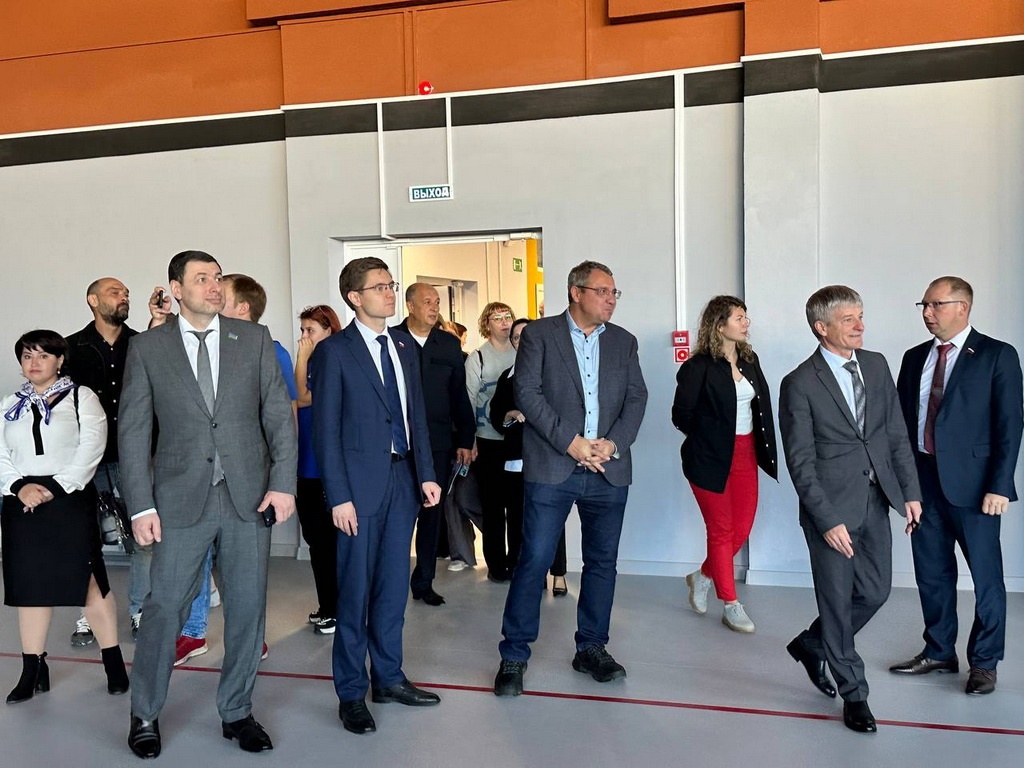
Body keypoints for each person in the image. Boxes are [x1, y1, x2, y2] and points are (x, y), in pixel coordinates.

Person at [119, 250, 297, 758]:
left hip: (247, 497)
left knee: (247, 608)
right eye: (201, 279)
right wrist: (140, 505)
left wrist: (283, 484)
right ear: (176, 289)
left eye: (217, 278)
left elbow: (277, 416)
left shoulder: (253, 339)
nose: (214, 286)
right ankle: (145, 712)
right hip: (177, 499)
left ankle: (236, 710)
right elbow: (133, 430)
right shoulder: (148, 347)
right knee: (164, 608)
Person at [494, 261, 648, 697]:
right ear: (576, 292)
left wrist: (611, 445)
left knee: (602, 563)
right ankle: (514, 654)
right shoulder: (541, 335)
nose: (611, 299)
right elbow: (528, 394)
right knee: (534, 560)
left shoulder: (623, 341)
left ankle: (591, 648)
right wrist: (572, 443)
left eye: (615, 292)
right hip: (553, 466)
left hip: (608, 470)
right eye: (603, 291)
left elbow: (637, 397)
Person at [778, 285, 922, 734]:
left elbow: (895, 433)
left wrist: (910, 492)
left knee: (875, 592)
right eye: (849, 319)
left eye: (860, 316)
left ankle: (812, 642)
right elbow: (800, 462)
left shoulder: (876, 365)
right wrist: (826, 519)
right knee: (838, 604)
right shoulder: (799, 383)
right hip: (830, 512)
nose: (861, 326)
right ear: (822, 328)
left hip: (876, 501)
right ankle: (854, 694)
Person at [310, 257, 442, 735]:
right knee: (354, 593)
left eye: (391, 285)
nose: (389, 293)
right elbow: (325, 432)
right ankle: (351, 692)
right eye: (380, 287)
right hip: (357, 491)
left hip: (403, 482)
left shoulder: (403, 345)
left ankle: (388, 677)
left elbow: (415, 416)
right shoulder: (334, 352)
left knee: (392, 588)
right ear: (354, 297)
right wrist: (338, 497)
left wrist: (426, 474)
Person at [889, 276, 1023, 695]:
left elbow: (1010, 425)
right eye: (924, 306)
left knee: (986, 578)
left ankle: (984, 662)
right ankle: (939, 651)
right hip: (923, 484)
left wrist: (1000, 485)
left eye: (936, 305)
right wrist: (904, 485)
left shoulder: (997, 355)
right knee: (932, 573)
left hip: (976, 488)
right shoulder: (914, 358)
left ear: (962, 307)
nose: (927, 313)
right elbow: (901, 426)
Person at [171, 272, 296, 663]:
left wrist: (278, 479)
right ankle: (193, 632)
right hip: (197, 478)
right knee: (196, 562)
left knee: (241, 571)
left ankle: (248, 638)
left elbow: (281, 418)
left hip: (245, 479)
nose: (210, 296)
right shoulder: (191, 343)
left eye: (219, 294)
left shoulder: (267, 349)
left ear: (241, 308)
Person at [0, 330, 130, 703]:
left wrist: (54, 489)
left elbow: (92, 448)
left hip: (69, 500)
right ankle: (32, 669)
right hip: (21, 503)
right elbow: (1, 452)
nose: (34, 362)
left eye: (43, 355)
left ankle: (113, 663)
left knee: (89, 582)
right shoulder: (10, 403)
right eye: (27, 355)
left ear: (59, 360)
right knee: (29, 587)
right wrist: (19, 487)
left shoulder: (80, 397)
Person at [671, 296, 778, 633]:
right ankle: (731, 604)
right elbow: (681, 415)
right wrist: (710, 437)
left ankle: (702, 576)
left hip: (746, 454)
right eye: (739, 317)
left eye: (746, 317)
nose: (746, 323)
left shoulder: (749, 360)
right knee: (721, 530)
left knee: (741, 530)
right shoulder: (698, 367)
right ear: (719, 325)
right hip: (708, 459)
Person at [64, 277, 161, 646]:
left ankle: (140, 610)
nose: (124, 297)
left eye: (126, 293)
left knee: (144, 537)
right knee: (86, 539)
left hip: (135, 456)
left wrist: (158, 322)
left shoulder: (142, 344)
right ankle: (89, 614)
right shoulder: (70, 349)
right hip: (87, 459)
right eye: (114, 292)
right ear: (93, 300)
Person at [398, 283, 476, 605]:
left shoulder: (448, 344)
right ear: (410, 306)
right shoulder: (391, 341)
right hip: (400, 445)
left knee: (432, 514)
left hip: (439, 442)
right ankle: (391, 582)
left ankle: (424, 582)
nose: (434, 307)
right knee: (401, 515)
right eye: (427, 301)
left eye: (437, 302)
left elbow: (459, 396)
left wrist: (465, 438)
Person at [489, 318, 569, 596]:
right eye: (516, 337)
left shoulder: (553, 372)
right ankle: (522, 570)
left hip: (548, 457)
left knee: (552, 518)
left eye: (526, 336)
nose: (521, 342)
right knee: (517, 517)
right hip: (516, 456)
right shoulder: (507, 376)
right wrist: (509, 415)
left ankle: (558, 573)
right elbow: (496, 414)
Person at [295, 304, 342, 634]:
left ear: (328, 330)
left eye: (310, 330)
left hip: (323, 467)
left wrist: (301, 357)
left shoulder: (328, 361)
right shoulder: (312, 361)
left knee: (326, 543)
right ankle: (327, 605)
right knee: (315, 540)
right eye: (302, 330)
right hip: (305, 465)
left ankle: (335, 609)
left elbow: (303, 397)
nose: (304, 337)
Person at [466, 302, 518, 582]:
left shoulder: (522, 354)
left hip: (517, 442)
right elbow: (469, 399)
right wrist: (470, 440)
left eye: (508, 316)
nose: (504, 322)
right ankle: (496, 566)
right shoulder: (478, 358)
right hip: (488, 441)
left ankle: (517, 563)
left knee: (518, 507)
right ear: (486, 324)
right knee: (493, 507)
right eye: (497, 318)